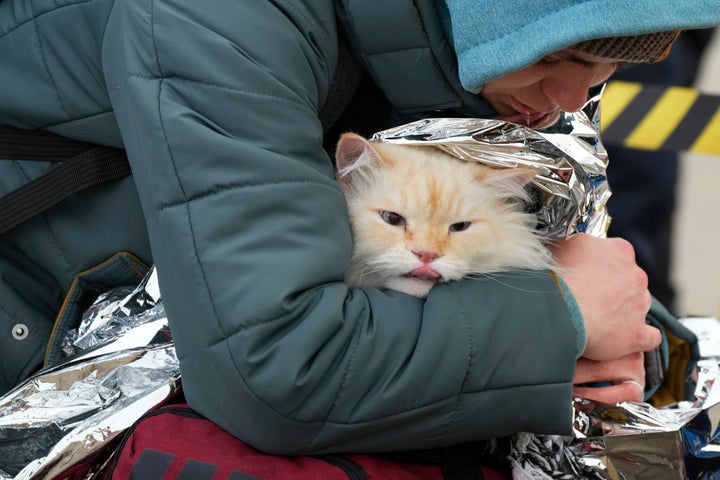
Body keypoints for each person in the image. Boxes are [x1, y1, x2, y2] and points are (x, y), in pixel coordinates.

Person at [0, 0, 717, 457]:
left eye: (603, 73)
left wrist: (632, 335)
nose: (570, 102)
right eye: (560, 57)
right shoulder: (216, 18)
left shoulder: (490, 61)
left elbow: (531, 239)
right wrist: (560, 320)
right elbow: (275, 374)